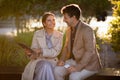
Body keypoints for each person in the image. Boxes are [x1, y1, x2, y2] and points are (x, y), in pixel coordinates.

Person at [54, 4, 102, 80]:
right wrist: (62, 60)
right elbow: (66, 47)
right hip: (74, 61)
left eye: (65, 18)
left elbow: (89, 51)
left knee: (73, 77)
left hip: (89, 65)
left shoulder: (87, 30)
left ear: (73, 17)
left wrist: (78, 67)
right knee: (57, 70)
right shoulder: (69, 29)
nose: (63, 20)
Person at [21, 12, 63, 80]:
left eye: (53, 20)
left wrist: (41, 50)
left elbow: (56, 52)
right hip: (38, 61)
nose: (52, 22)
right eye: (49, 20)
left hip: (53, 62)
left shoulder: (60, 35)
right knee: (45, 65)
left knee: (46, 66)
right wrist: (29, 54)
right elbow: (34, 51)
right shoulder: (37, 34)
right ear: (44, 23)